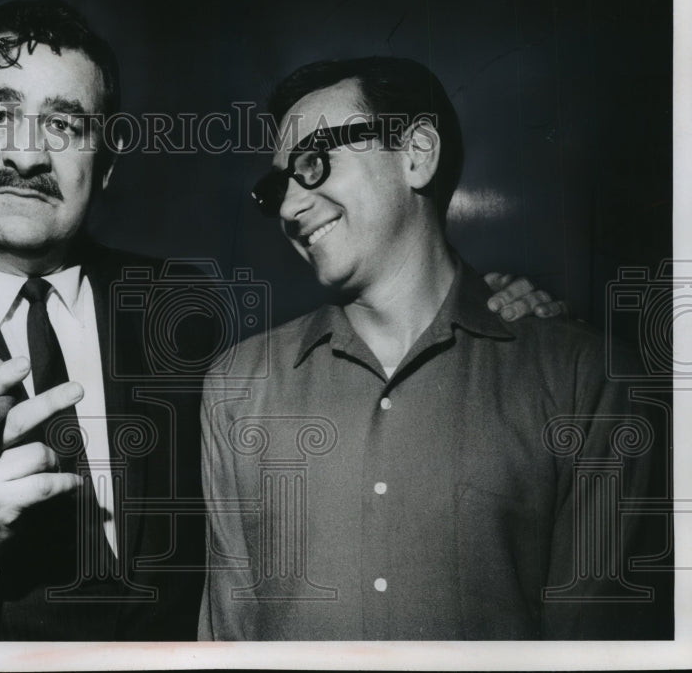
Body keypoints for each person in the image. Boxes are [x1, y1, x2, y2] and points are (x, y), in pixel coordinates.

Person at [0, 0, 560, 641]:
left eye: (64, 124)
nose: (25, 153)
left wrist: (500, 312)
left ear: (107, 161)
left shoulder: (180, 310)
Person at [198, 57, 672, 640]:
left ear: (417, 153)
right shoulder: (240, 385)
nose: (292, 209)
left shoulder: (585, 379)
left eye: (313, 164)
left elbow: (598, 643)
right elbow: (229, 634)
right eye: (279, 187)